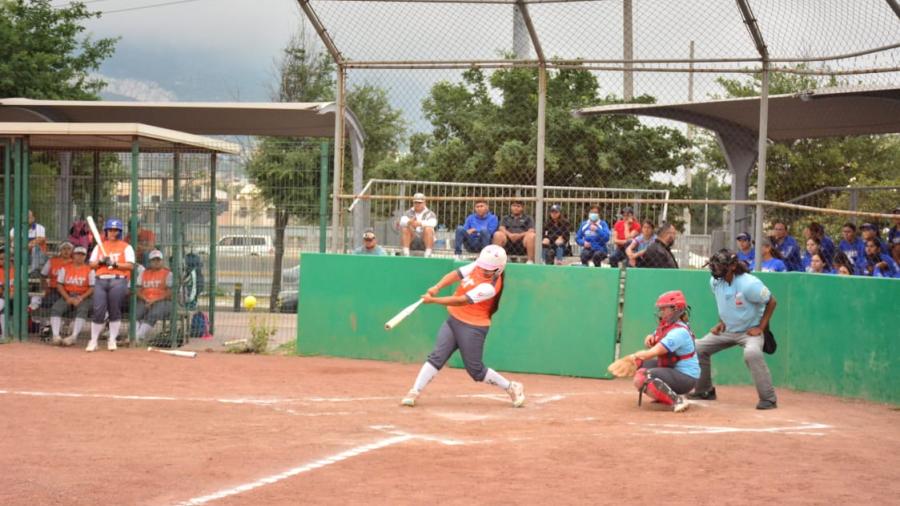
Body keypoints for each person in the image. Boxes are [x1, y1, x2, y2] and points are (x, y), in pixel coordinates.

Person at [400, 245, 525, 408]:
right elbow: (456, 274)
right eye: (483, 267)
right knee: (436, 357)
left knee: (476, 371)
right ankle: (414, 391)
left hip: (473, 327)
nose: (484, 270)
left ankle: (511, 387)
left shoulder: (490, 287)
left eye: (489, 270)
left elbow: (461, 300)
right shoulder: (479, 266)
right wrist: (437, 287)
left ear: (499, 269)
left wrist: (433, 301)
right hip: (453, 321)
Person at [689, 250, 778, 410]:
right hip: (728, 329)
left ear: (732, 266)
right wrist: (721, 322)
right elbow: (724, 302)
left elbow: (771, 301)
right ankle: (704, 390)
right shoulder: (715, 282)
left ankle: (769, 398)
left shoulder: (749, 284)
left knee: (752, 353)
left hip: (749, 332)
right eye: (714, 265)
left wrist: (761, 327)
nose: (715, 269)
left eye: (720, 266)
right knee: (697, 347)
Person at [627, 290, 699, 413]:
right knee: (638, 364)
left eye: (664, 309)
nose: (661, 312)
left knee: (642, 376)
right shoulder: (666, 326)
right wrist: (649, 338)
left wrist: (633, 356)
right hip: (672, 369)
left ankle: (677, 400)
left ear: (675, 309)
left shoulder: (679, 332)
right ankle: (663, 395)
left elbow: (655, 351)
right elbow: (652, 340)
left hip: (685, 378)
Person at [86, 218, 136, 352]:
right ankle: (93, 340)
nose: (112, 233)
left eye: (115, 231)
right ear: (106, 231)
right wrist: (101, 261)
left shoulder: (126, 246)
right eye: (110, 230)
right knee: (98, 310)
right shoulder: (99, 246)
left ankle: (112, 339)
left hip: (118, 279)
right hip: (101, 279)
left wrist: (115, 264)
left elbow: (130, 265)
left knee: (115, 310)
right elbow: (91, 264)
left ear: (119, 232)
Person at [49, 246, 95, 346]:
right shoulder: (65, 268)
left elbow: (92, 287)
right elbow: (59, 285)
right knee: (56, 308)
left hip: (83, 296)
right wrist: (68, 298)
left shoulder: (89, 270)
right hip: (68, 295)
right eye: (77, 254)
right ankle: (56, 336)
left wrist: (80, 298)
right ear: (73, 255)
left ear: (85, 257)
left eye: (82, 255)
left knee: (83, 310)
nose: (79, 257)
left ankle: (74, 337)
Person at [134, 250, 174, 342]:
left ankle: (138, 336)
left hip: (163, 301)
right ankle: (135, 336)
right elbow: (137, 289)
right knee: (136, 313)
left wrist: (154, 300)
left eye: (158, 260)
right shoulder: (144, 273)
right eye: (153, 260)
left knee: (154, 313)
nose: (156, 262)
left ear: (162, 261)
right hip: (145, 300)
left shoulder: (168, 273)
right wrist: (145, 299)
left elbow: (170, 293)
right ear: (150, 262)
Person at [37, 242, 74, 335]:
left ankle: (66, 324)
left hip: (69, 290)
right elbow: (43, 275)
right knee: (46, 303)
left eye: (68, 249)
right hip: (54, 288)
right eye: (64, 249)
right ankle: (46, 325)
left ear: (72, 251)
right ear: (60, 250)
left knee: (70, 304)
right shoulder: (52, 261)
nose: (66, 251)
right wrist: (45, 288)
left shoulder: (74, 262)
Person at [493, 199, 536, 264]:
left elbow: (531, 230)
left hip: (523, 241)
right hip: (508, 240)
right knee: (498, 234)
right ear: (511, 207)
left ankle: (530, 261)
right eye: (514, 206)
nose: (516, 208)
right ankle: (496, 260)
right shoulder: (506, 218)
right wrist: (510, 235)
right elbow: (501, 228)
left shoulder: (528, 218)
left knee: (532, 235)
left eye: (518, 206)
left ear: (522, 208)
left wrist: (519, 235)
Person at [400, 193, 437, 258]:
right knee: (405, 228)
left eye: (419, 202)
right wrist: (409, 222)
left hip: (425, 239)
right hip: (412, 238)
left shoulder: (430, 213)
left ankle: (428, 254)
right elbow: (402, 221)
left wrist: (420, 223)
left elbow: (433, 223)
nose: (417, 204)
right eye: (415, 202)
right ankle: (406, 254)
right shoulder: (408, 212)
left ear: (424, 203)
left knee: (428, 229)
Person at [0, 248, 15, 337]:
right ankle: (4, 334)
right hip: (3, 296)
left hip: (15, 297)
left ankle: (5, 334)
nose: (3, 261)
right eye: (1, 259)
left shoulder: (15, 270)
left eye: (5, 258)